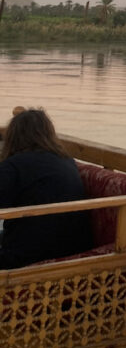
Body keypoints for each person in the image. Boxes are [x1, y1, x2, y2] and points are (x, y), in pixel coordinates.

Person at [0, 107, 93, 267]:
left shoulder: (14, 166)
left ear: (13, 136)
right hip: (72, 248)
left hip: (28, 257)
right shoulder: (66, 161)